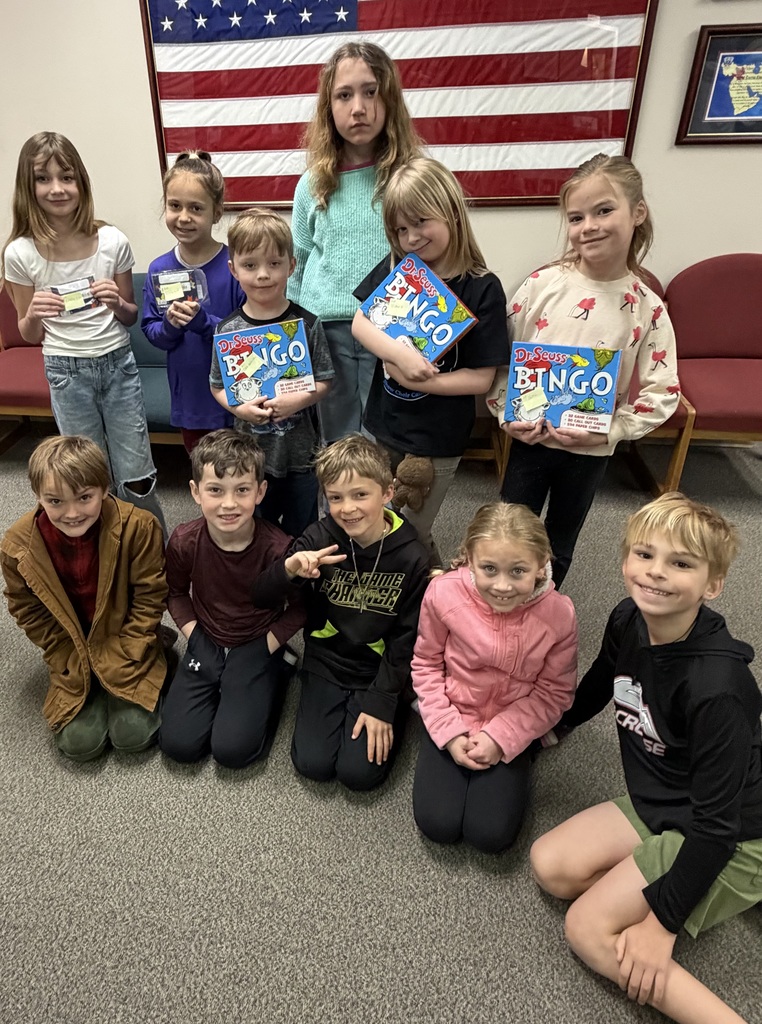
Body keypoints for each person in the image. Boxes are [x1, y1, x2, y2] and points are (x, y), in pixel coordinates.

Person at [530, 493, 762, 1024]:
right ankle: (661, 887)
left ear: (713, 584)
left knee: (587, 930)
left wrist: (662, 923)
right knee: (552, 867)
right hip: (663, 797)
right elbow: (602, 683)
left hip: (734, 834)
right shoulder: (627, 618)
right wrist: (554, 728)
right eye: (644, 555)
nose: (656, 574)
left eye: (681, 564)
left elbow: (718, 828)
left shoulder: (718, 688)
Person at [487, 153, 680, 588]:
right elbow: (501, 359)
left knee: (561, 540)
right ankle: (495, 609)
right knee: (508, 531)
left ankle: (544, 610)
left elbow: (663, 391)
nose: (588, 226)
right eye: (576, 217)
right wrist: (506, 414)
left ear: (638, 213)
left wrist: (611, 431)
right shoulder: (542, 285)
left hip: (589, 452)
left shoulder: (646, 306)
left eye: (604, 210)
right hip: (530, 441)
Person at [2, 131, 165, 531]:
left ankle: (152, 559)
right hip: (65, 370)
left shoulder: (112, 241)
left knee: (136, 473)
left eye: (67, 176)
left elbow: (129, 315)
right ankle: (101, 562)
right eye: (43, 178)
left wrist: (117, 301)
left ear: (82, 182)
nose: (57, 188)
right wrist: (34, 314)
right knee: (87, 477)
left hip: (117, 366)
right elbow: (28, 331)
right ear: (28, 185)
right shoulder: (20, 252)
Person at [352, 157, 509, 563]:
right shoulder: (400, 268)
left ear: (452, 213)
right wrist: (397, 353)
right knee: (375, 517)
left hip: (437, 441)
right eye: (400, 229)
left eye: (421, 222)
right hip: (383, 424)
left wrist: (420, 381)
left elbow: (480, 379)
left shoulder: (481, 287)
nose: (411, 238)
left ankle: (424, 587)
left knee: (412, 527)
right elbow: (360, 322)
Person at [252, 434, 429, 791]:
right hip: (327, 659)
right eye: (335, 498)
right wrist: (290, 569)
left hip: (378, 667)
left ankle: (391, 708)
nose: (347, 508)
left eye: (360, 494)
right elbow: (261, 596)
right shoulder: (319, 537)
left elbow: (408, 637)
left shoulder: (413, 554)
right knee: (312, 764)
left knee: (359, 775)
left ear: (388, 492)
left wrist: (383, 698)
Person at [411, 503, 577, 853]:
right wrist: (449, 731)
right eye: (489, 569)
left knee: (490, 834)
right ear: (469, 559)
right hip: (453, 712)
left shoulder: (559, 614)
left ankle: (524, 751)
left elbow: (555, 692)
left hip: (512, 721)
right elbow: (426, 665)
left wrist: (501, 738)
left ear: (542, 563)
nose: (503, 586)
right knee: (438, 824)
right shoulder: (443, 593)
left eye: (518, 571)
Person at [1, 435, 168, 761]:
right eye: (55, 501)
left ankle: (139, 672)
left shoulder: (140, 527)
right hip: (72, 649)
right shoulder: (17, 546)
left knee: (132, 735)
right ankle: (93, 683)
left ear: (105, 489)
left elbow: (151, 596)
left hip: (125, 643)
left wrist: (130, 649)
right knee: (78, 743)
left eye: (84, 497)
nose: (72, 513)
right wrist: (61, 652)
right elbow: (25, 609)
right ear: (38, 497)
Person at [289, 41, 422, 443]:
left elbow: (435, 254)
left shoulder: (410, 177)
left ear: (390, 99)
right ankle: (332, 509)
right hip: (325, 330)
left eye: (370, 92)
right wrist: (294, 332)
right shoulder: (313, 183)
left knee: (385, 439)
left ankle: (381, 508)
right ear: (329, 107)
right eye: (344, 95)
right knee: (335, 441)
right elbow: (297, 262)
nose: (358, 108)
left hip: (394, 328)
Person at [159, 430, 305, 768]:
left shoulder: (280, 548)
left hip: (257, 642)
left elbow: (301, 608)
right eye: (215, 490)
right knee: (179, 745)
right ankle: (222, 674)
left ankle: (278, 669)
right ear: (195, 492)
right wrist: (195, 638)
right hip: (206, 639)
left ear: (260, 492)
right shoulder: (184, 541)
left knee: (233, 751)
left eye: (242, 490)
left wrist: (265, 647)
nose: (228, 504)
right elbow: (177, 593)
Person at [210, 208, 334, 538]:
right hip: (250, 460)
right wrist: (239, 408)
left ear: (291, 266)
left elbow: (325, 380)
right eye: (250, 265)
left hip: (301, 455)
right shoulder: (228, 331)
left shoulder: (307, 324)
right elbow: (217, 386)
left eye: (274, 264)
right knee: (255, 532)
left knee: (302, 532)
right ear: (233, 269)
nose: (263, 274)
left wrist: (297, 402)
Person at [141, 151, 244, 453]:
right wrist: (170, 326)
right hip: (190, 397)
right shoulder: (160, 269)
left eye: (196, 208)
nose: (184, 217)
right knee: (205, 473)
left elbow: (246, 334)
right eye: (175, 206)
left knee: (240, 471)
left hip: (234, 393)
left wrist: (204, 323)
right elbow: (152, 332)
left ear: (216, 211)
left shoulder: (236, 266)